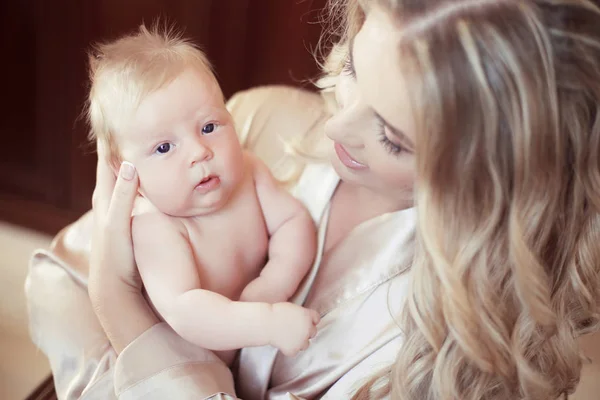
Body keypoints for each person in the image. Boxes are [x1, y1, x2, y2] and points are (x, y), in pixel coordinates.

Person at [25, 0, 600, 399]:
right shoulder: (260, 123)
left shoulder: (452, 361)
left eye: (392, 138)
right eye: (352, 65)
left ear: (489, 178)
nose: (334, 129)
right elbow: (54, 283)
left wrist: (121, 310)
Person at [86, 26, 319, 363]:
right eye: (164, 147)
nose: (199, 151)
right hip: (180, 364)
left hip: (244, 350)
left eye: (209, 127)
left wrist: (274, 282)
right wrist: (266, 322)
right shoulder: (155, 226)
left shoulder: (249, 173)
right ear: (124, 169)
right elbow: (186, 310)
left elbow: (295, 222)